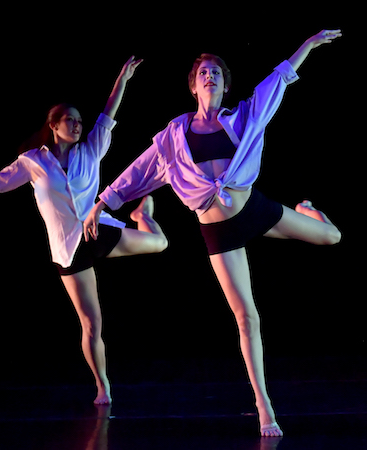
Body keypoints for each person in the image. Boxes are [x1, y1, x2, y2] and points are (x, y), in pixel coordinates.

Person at [83, 30, 344, 436]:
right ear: (193, 85)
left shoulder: (241, 117)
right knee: (246, 318)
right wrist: (102, 204)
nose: (210, 77)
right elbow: (139, 171)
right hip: (219, 232)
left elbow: (278, 80)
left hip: (254, 210)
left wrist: (308, 45)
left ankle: (308, 212)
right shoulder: (173, 136)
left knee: (332, 238)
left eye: (217, 73)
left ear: (224, 84)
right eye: (204, 72)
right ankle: (263, 403)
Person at [0, 56, 168, 405]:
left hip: (98, 231)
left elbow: (109, 114)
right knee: (91, 322)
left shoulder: (92, 149)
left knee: (160, 242)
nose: (78, 125)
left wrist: (123, 80)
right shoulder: (34, 162)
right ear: (53, 126)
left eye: (80, 121)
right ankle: (103, 386)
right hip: (68, 247)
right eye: (70, 120)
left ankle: (144, 212)